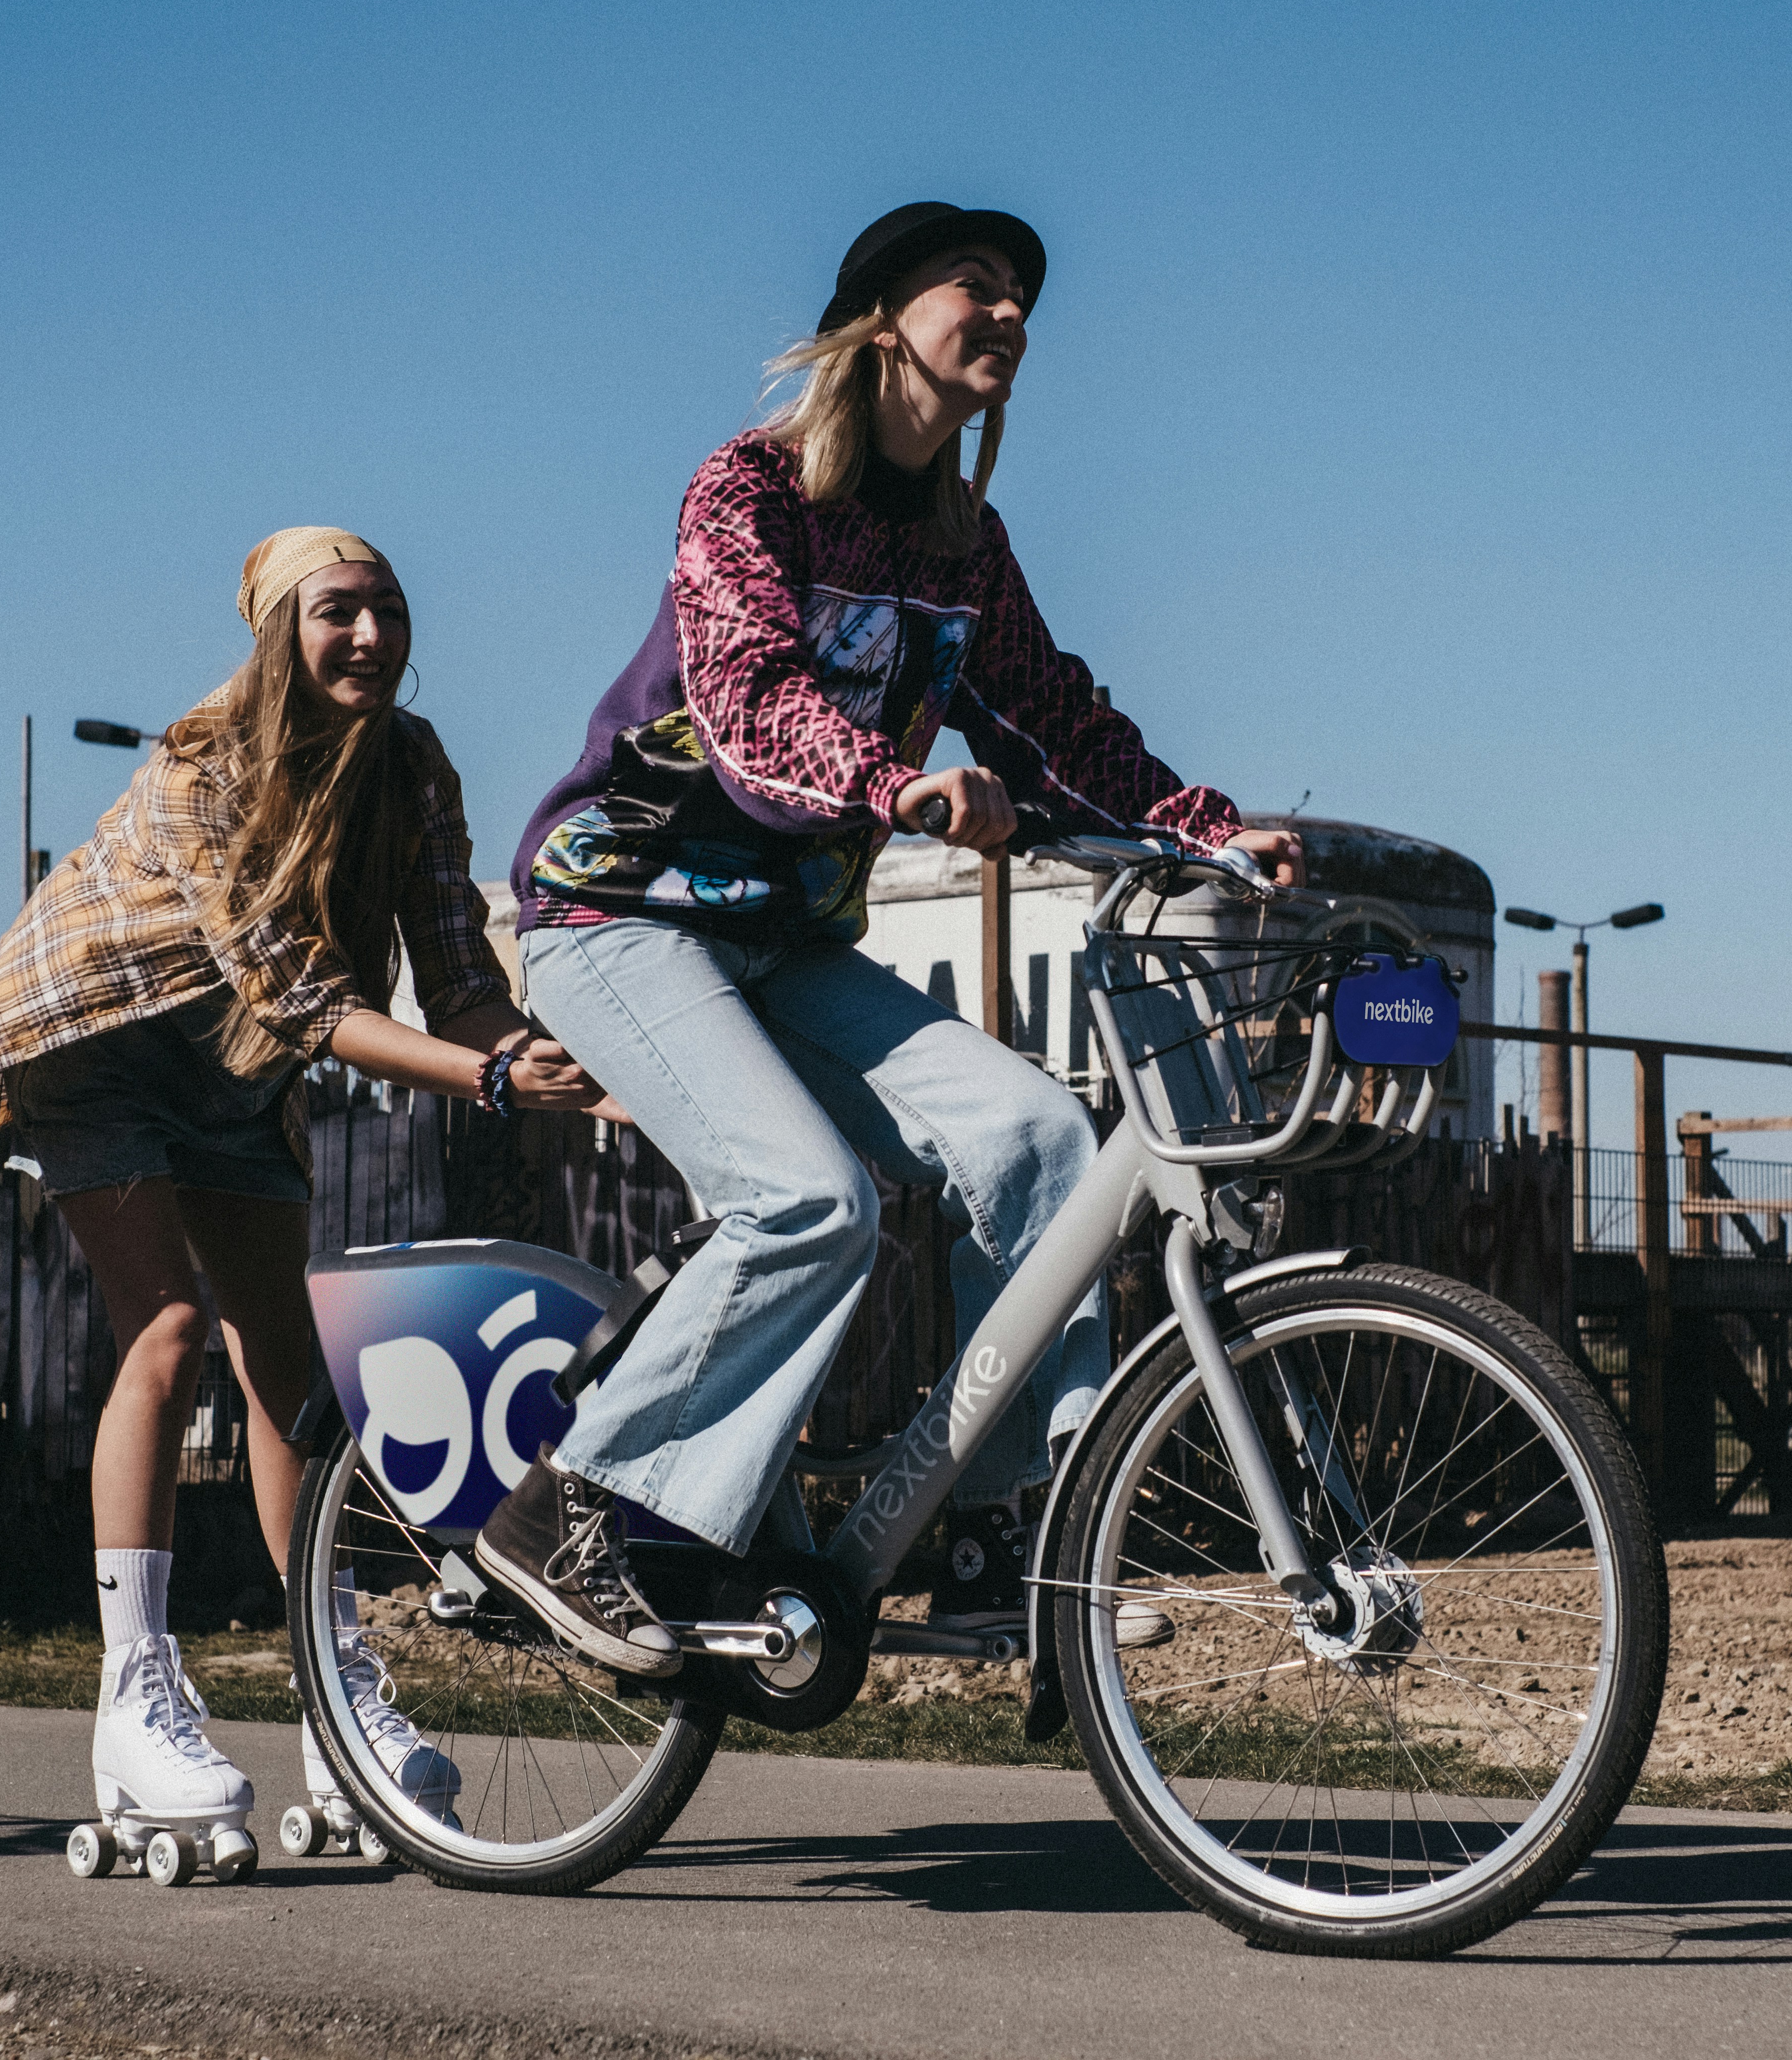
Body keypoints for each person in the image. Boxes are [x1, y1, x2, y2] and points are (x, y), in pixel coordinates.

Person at [487, 202, 1302, 1675]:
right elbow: (748, 703)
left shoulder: (963, 545)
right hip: (620, 910)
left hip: (784, 938)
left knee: (1044, 1147)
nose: (1008, 316)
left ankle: (1003, 1543)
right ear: (879, 320)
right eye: (975, 288)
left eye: (1022, 302)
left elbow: (1055, 721)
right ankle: (578, 1511)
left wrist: (1204, 828)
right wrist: (894, 782)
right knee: (809, 1202)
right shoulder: (750, 491)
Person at [0, 527, 609, 1849]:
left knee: (291, 1380)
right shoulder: (201, 759)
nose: (372, 637)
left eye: (390, 611)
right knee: (166, 1332)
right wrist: (491, 1084)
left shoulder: (412, 766)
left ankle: (334, 1696)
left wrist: (531, 1052)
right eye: (339, 611)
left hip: (239, 1070)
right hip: (108, 1044)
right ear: (278, 627)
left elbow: (456, 975)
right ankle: (135, 1691)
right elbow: (305, 994)